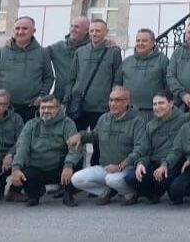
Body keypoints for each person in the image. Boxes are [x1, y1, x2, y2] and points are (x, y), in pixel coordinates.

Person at [69, 86, 144, 204]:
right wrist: (81, 136)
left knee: (112, 180)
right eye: (111, 100)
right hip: (106, 168)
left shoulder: (137, 121)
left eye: (117, 100)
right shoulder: (104, 118)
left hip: (126, 168)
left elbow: (140, 149)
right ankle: (105, 192)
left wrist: (119, 166)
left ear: (127, 102)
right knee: (76, 179)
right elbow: (94, 135)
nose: (112, 104)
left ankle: (130, 194)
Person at [65, 18, 122, 165]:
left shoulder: (113, 52)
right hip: (79, 107)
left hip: (101, 107)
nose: (94, 33)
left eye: (98, 31)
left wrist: (113, 101)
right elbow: (72, 77)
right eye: (92, 30)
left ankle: (95, 178)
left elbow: (117, 79)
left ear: (106, 33)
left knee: (99, 145)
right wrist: (68, 99)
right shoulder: (80, 52)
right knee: (75, 143)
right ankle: (72, 179)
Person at [10, 94, 82, 207]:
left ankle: (69, 194)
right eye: (43, 108)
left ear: (58, 109)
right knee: (25, 172)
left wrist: (68, 165)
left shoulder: (67, 123)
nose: (46, 110)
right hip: (37, 168)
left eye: (50, 107)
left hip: (60, 168)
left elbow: (74, 148)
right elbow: (22, 147)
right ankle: (34, 195)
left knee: (77, 161)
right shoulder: (31, 125)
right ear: (39, 109)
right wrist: (15, 168)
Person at [0, 16, 54, 122]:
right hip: (4, 108)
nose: (20, 31)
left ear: (33, 31)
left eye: (25, 28)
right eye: (17, 28)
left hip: (31, 109)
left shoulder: (42, 53)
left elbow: (49, 78)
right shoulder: (1, 52)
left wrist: (41, 96)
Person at [122, 89, 187, 204]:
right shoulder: (150, 125)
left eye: (161, 103)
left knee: (167, 181)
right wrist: (140, 163)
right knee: (131, 178)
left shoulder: (184, 120)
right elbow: (144, 148)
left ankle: (162, 190)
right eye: (155, 104)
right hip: (154, 162)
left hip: (174, 163)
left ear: (171, 103)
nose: (157, 107)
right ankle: (152, 194)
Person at [116, 28, 169, 116]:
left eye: (144, 41)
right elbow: (117, 83)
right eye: (138, 41)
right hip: (129, 112)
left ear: (152, 43)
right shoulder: (127, 62)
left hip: (154, 112)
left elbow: (168, 86)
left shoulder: (163, 61)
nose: (140, 43)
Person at [48, 16, 90, 103]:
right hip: (60, 96)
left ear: (86, 30)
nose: (73, 29)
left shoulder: (91, 49)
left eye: (77, 27)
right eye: (72, 26)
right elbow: (38, 54)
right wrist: (14, 41)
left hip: (82, 99)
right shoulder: (58, 47)